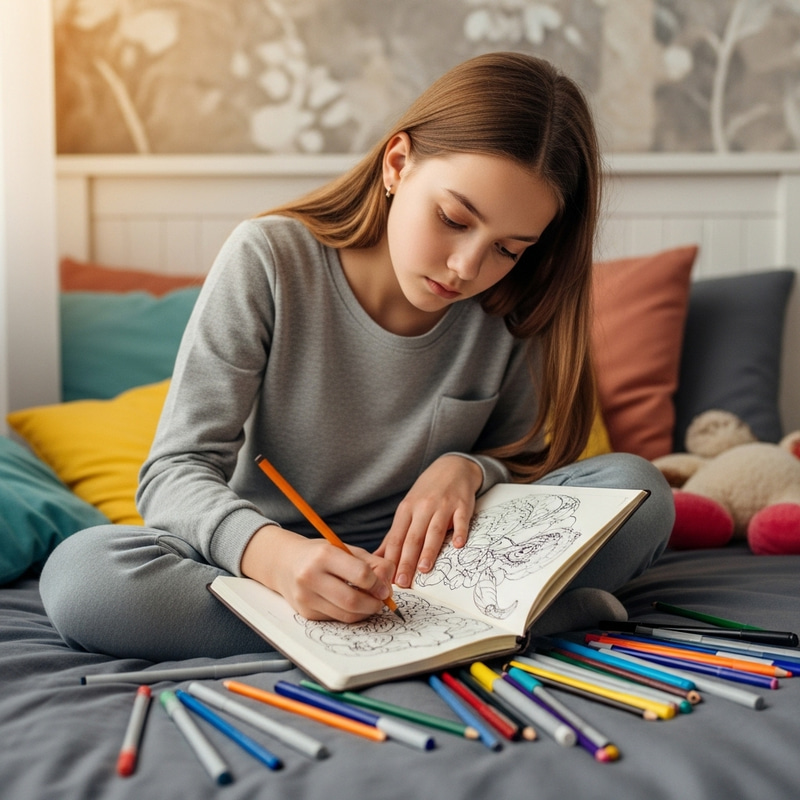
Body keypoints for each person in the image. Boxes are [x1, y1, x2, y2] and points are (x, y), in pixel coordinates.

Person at [40, 52, 673, 661]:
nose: (467, 266)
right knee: (83, 578)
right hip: (275, 566)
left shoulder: (513, 302)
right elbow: (175, 471)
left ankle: (404, 629)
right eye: (454, 218)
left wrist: (469, 469)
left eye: (508, 248)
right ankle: (454, 631)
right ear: (398, 164)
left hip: (439, 566)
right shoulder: (269, 259)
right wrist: (273, 558)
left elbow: (524, 469)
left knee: (639, 490)